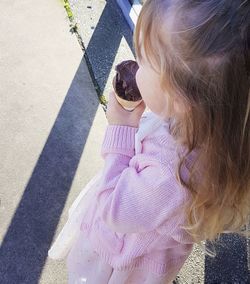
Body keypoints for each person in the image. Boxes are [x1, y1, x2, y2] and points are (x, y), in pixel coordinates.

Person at [48, 0, 250, 283]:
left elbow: (113, 210)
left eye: (144, 60)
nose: (134, 63)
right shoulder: (213, 131)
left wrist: (121, 127)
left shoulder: (170, 175)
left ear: (181, 98)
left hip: (118, 262)